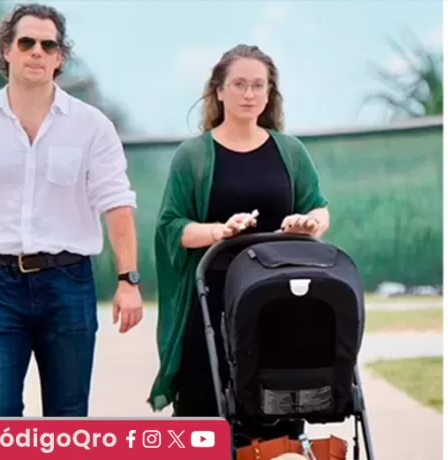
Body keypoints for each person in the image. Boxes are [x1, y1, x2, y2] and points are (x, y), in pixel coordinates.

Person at [0, 3, 143, 417]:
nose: (37, 51)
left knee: (67, 419)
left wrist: (128, 279)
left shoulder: (92, 126)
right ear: (7, 49)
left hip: (69, 283)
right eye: (26, 42)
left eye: (48, 44)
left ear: (60, 57)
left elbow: (117, 203)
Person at [149, 44, 329, 446]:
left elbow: (319, 207)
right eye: (239, 84)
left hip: (279, 300)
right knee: (208, 408)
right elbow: (171, 227)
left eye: (258, 86)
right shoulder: (193, 156)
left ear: (269, 94)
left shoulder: (291, 151)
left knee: (277, 409)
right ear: (218, 91)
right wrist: (220, 231)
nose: (249, 94)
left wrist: (308, 223)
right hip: (212, 300)